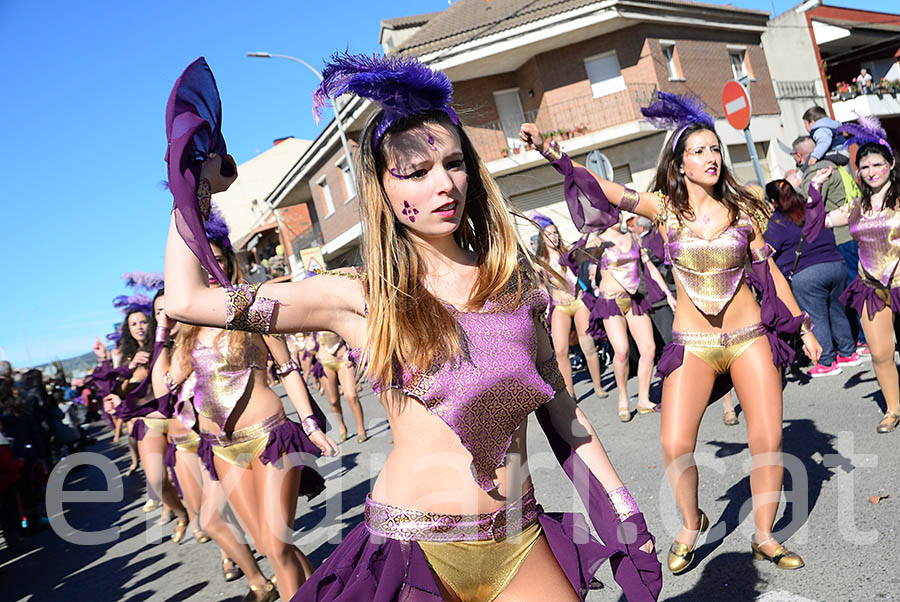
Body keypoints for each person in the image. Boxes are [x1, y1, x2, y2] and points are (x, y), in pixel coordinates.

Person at [163, 53, 661, 601]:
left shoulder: (517, 283)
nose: (443, 184)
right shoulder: (358, 296)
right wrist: (195, 184)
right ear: (383, 189)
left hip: (518, 538)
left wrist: (621, 510)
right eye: (417, 172)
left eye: (453, 163)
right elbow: (188, 299)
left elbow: (565, 416)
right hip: (412, 551)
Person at [521, 90, 821, 574]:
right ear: (680, 164)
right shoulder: (663, 210)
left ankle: (764, 535)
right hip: (693, 347)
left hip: (748, 338)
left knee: (767, 439)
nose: (711, 157)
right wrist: (553, 153)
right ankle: (690, 522)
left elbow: (770, 273)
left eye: (715, 149)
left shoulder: (743, 211)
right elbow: (606, 190)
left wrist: (801, 323)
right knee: (675, 444)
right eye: (699, 151)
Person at [164, 205, 338, 601]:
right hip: (221, 449)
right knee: (270, 546)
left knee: (277, 545)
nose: (209, 269)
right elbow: (166, 385)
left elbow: (290, 368)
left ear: (229, 262)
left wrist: (310, 422)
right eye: (200, 262)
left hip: (269, 438)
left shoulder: (253, 308)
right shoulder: (188, 329)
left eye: (216, 260)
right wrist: (162, 330)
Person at [808, 115, 900, 433]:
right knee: (880, 353)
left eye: (877, 164)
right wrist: (815, 190)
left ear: (890, 164)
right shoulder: (856, 207)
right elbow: (817, 223)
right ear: (858, 171)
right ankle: (892, 408)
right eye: (865, 167)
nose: (871, 172)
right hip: (871, 289)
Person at [104, 297, 190, 541]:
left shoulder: (164, 341)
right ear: (128, 330)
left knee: (186, 474)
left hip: (175, 414)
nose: (140, 327)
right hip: (147, 420)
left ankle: (199, 517)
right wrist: (130, 367)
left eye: (143, 321)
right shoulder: (125, 355)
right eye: (134, 324)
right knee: (156, 479)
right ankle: (181, 514)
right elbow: (117, 390)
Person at [764, 179, 860, 376]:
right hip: (836, 264)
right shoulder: (810, 209)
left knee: (816, 318)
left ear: (773, 200)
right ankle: (848, 352)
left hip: (807, 274)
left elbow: (767, 252)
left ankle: (825, 362)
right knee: (837, 311)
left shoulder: (777, 221)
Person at [583, 213, 674, 421]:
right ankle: (623, 397)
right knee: (622, 352)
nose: (617, 216)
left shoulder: (633, 237)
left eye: (619, 211)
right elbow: (580, 260)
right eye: (611, 212)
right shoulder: (598, 241)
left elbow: (649, 267)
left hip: (634, 299)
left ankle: (643, 399)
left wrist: (668, 295)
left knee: (649, 349)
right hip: (610, 302)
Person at [533, 215, 609, 401]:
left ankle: (598, 386)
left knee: (588, 346)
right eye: (549, 234)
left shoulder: (567, 253)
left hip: (578, 302)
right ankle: (570, 392)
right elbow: (541, 287)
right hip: (560, 307)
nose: (554, 237)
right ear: (542, 238)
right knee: (560, 350)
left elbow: (587, 256)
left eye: (556, 233)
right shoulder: (539, 262)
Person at [316, 331, 368, 442]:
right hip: (325, 360)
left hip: (343, 356)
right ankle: (342, 428)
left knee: (351, 395)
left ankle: (361, 429)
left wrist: (350, 352)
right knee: (333, 401)